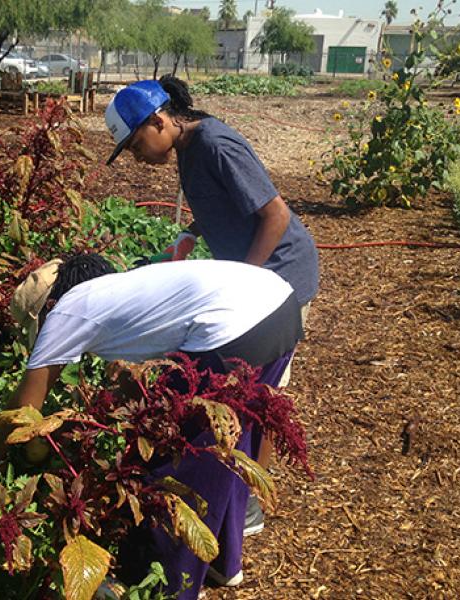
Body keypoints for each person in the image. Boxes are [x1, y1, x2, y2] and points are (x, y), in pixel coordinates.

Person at [7, 255, 303, 600]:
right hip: (278, 306)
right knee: (228, 448)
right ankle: (223, 563)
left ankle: (163, 588)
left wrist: (6, 454)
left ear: (48, 307)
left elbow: (24, 411)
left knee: (174, 464)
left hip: (231, 331)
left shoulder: (65, 311)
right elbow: (136, 384)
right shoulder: (123, 293)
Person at [105, 76, 320, 533]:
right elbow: (220, 200)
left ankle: (250, 502)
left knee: (263, 393)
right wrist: (191, 235)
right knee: (239, 387)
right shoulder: (188, 148)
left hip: (282, 277)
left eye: (135, 143)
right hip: (255, 279)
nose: (138, 157)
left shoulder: (215, 143)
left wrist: (245, 277)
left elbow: (275, 214)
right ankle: (233, 484)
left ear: (158, 121)